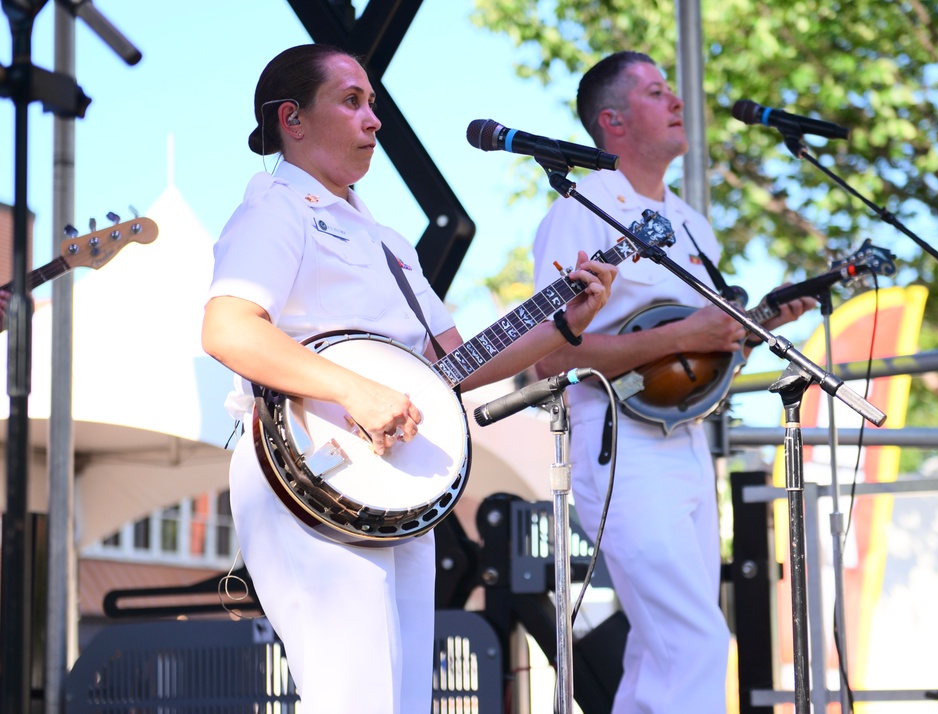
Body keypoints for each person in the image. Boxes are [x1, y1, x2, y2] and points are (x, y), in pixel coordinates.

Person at [201, 44, 616, 714]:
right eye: (351, 100)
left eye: (373, 102)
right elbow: (228, 329)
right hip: (310, 469)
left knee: (401, 701)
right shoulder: (276, 210)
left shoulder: (389, 242)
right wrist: (351, 389)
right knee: (352, 695)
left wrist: (564, 324)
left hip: (396, 488)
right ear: (292, 120)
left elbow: (456, 362)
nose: (374, 120)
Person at [532, 51, 816, 713]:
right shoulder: (585, 206)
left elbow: (707, 353)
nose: (678, 101)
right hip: (620, 446)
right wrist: (682, 337)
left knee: (659, 652)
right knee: (695, 642)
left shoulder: (693, 223)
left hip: (689, 443)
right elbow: (548, 357)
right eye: (658, 92)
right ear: (613, 121)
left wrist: (748, 329)